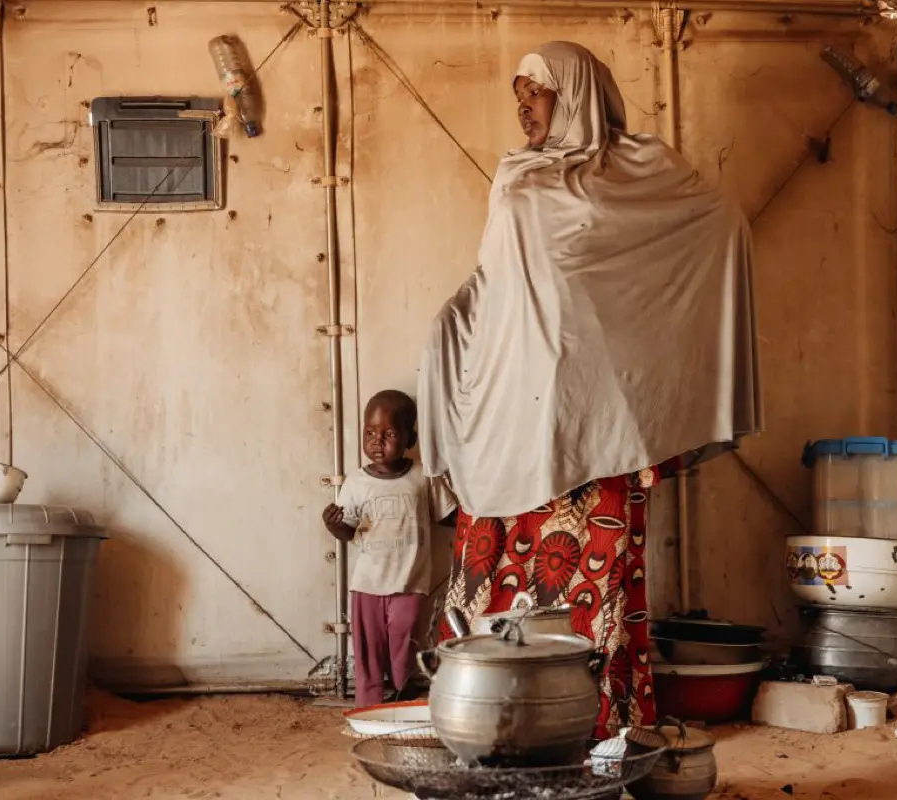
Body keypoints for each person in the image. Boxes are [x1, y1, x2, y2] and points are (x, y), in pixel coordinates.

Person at [418, 41, 762, 738]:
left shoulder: (638, 171)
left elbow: (717, 223)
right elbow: (499, 278)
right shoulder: (516, 175)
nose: (523, 108)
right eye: (517, 95)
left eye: (535, 93)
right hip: (510, 414)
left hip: (594, 420)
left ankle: (603, 733)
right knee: (502, 587)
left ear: (574, 92)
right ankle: (502, 727)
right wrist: (454, 314)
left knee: (594, 592)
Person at [322, 390, 457, 709]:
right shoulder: (356, 482)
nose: (377, 441)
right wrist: (333, 525)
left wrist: (478, 513)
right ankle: (367, 707)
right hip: (367, 583)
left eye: (389, 434)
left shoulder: (423, 476)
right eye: (370, 433)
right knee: (368, 649)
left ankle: (400, 693)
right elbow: (348, 530)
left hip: (410, 583)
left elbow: (449, 516)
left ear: (410, 438)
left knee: (403, 641)